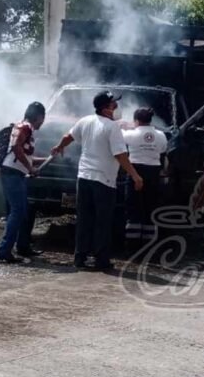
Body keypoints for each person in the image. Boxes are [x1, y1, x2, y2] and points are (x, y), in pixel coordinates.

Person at [52, 91, 144, 270]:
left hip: (84, 177)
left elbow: (67, 137)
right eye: (113, 104)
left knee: (84, 219)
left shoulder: (85, 121)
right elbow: (120, 155)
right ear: (106, 109)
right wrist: (135, 175)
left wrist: (59, 147)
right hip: (104, 180)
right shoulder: (112, 127)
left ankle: (80, 258)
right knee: (103, 221)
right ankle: (101, 260)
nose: (117, 107)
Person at [0, 102, 48, 263]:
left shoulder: (25, 128)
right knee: (18, 212)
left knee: (21, 212)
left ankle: (22, 247)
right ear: (39, 117)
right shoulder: (25, 127)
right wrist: (30, 168)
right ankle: (4, 250)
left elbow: (26, 156)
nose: (42, 122)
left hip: (14, 174)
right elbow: (16, 147)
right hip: (12, 174)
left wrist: (46, 160)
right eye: (42, 119)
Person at [122, 107, 168, 240]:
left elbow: (118, 136)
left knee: (133, 206)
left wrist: (124, 126)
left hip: (135, 171)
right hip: (154, 171)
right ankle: (148, 244)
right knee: (150, 206)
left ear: (136, 120)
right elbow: (163, 150)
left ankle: (132, 244)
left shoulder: (130, 134)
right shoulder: (161, 135)